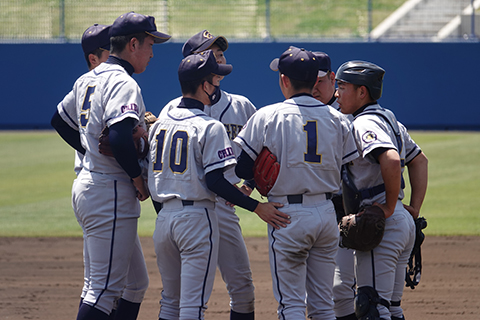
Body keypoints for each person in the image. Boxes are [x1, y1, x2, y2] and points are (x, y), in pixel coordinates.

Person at [148, 50, 290, 320]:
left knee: (170, 300)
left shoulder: (160, 123)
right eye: (214, 80)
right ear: (204, 85)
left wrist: (168, 214)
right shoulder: (210, 126)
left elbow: (149, 176)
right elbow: (214, 181)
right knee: (192, 305)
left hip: (165, 217)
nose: (217, 84)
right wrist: (257, 207)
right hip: (199, 215)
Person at [51, 11, 171, 320]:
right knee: (103, 291)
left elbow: (59, 121)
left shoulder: (88, 78)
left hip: (90, 185)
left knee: (132, 283)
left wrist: (90, 150)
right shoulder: (123, 82)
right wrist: (137, 178)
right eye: (149, 44)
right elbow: (119, 137)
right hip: (110, 191)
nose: (152, 52)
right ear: (133, 44)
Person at [233, 46, 359, 319]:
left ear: (284, 80)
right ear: (315, 80)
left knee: (291, 305)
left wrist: (259, 174)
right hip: (327, 215)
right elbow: (351, 170)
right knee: (324, 305)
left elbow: (241, 165)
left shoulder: (267, 116)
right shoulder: (339, 119)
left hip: (286, 216)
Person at [159, 29, 258, 320]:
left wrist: (249, 184)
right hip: (192, 207)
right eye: (212, 52)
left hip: (225, 207)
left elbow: (263, 152)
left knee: (242, 288)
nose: (220, 57)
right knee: (181, 299)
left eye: (221, 52)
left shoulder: (241, 106)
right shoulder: (171, 111)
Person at [334, 60, 428, 320]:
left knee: (371, 308)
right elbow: (419, 160)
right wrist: (413, 208)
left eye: (342, 86)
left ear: (362, 92)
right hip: (402, 225)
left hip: (382, 226)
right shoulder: (390, 119)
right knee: (392, 308)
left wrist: (387, 207)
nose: (337, 93)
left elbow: (392, 160)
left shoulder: (364, 123)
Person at [310, 51, 358, 320]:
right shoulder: (297, 112)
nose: (314, 88)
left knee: (344, 289)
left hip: (345, 211)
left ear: (332, 79)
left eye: (319, 82)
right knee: (317, 292)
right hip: (312, 211)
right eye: (308, 81)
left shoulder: (350, 115)